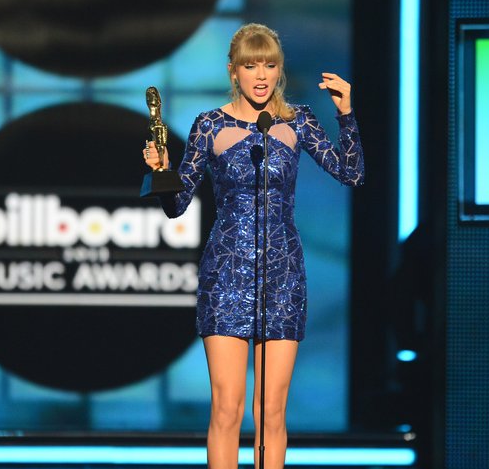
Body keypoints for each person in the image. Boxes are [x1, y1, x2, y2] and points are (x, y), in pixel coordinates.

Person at [142, 23, 364, 469]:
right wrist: (163, 171)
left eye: (269, 65)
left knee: (272, 411)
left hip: (282, 278)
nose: (260, 75)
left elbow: (351, 173)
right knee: (227, 408)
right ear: (233, 71)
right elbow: (176, 204)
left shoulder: (297, 121)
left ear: (279, 71)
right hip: (225, 275)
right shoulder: (210, 125)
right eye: (250, 65)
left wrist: (345, 114)